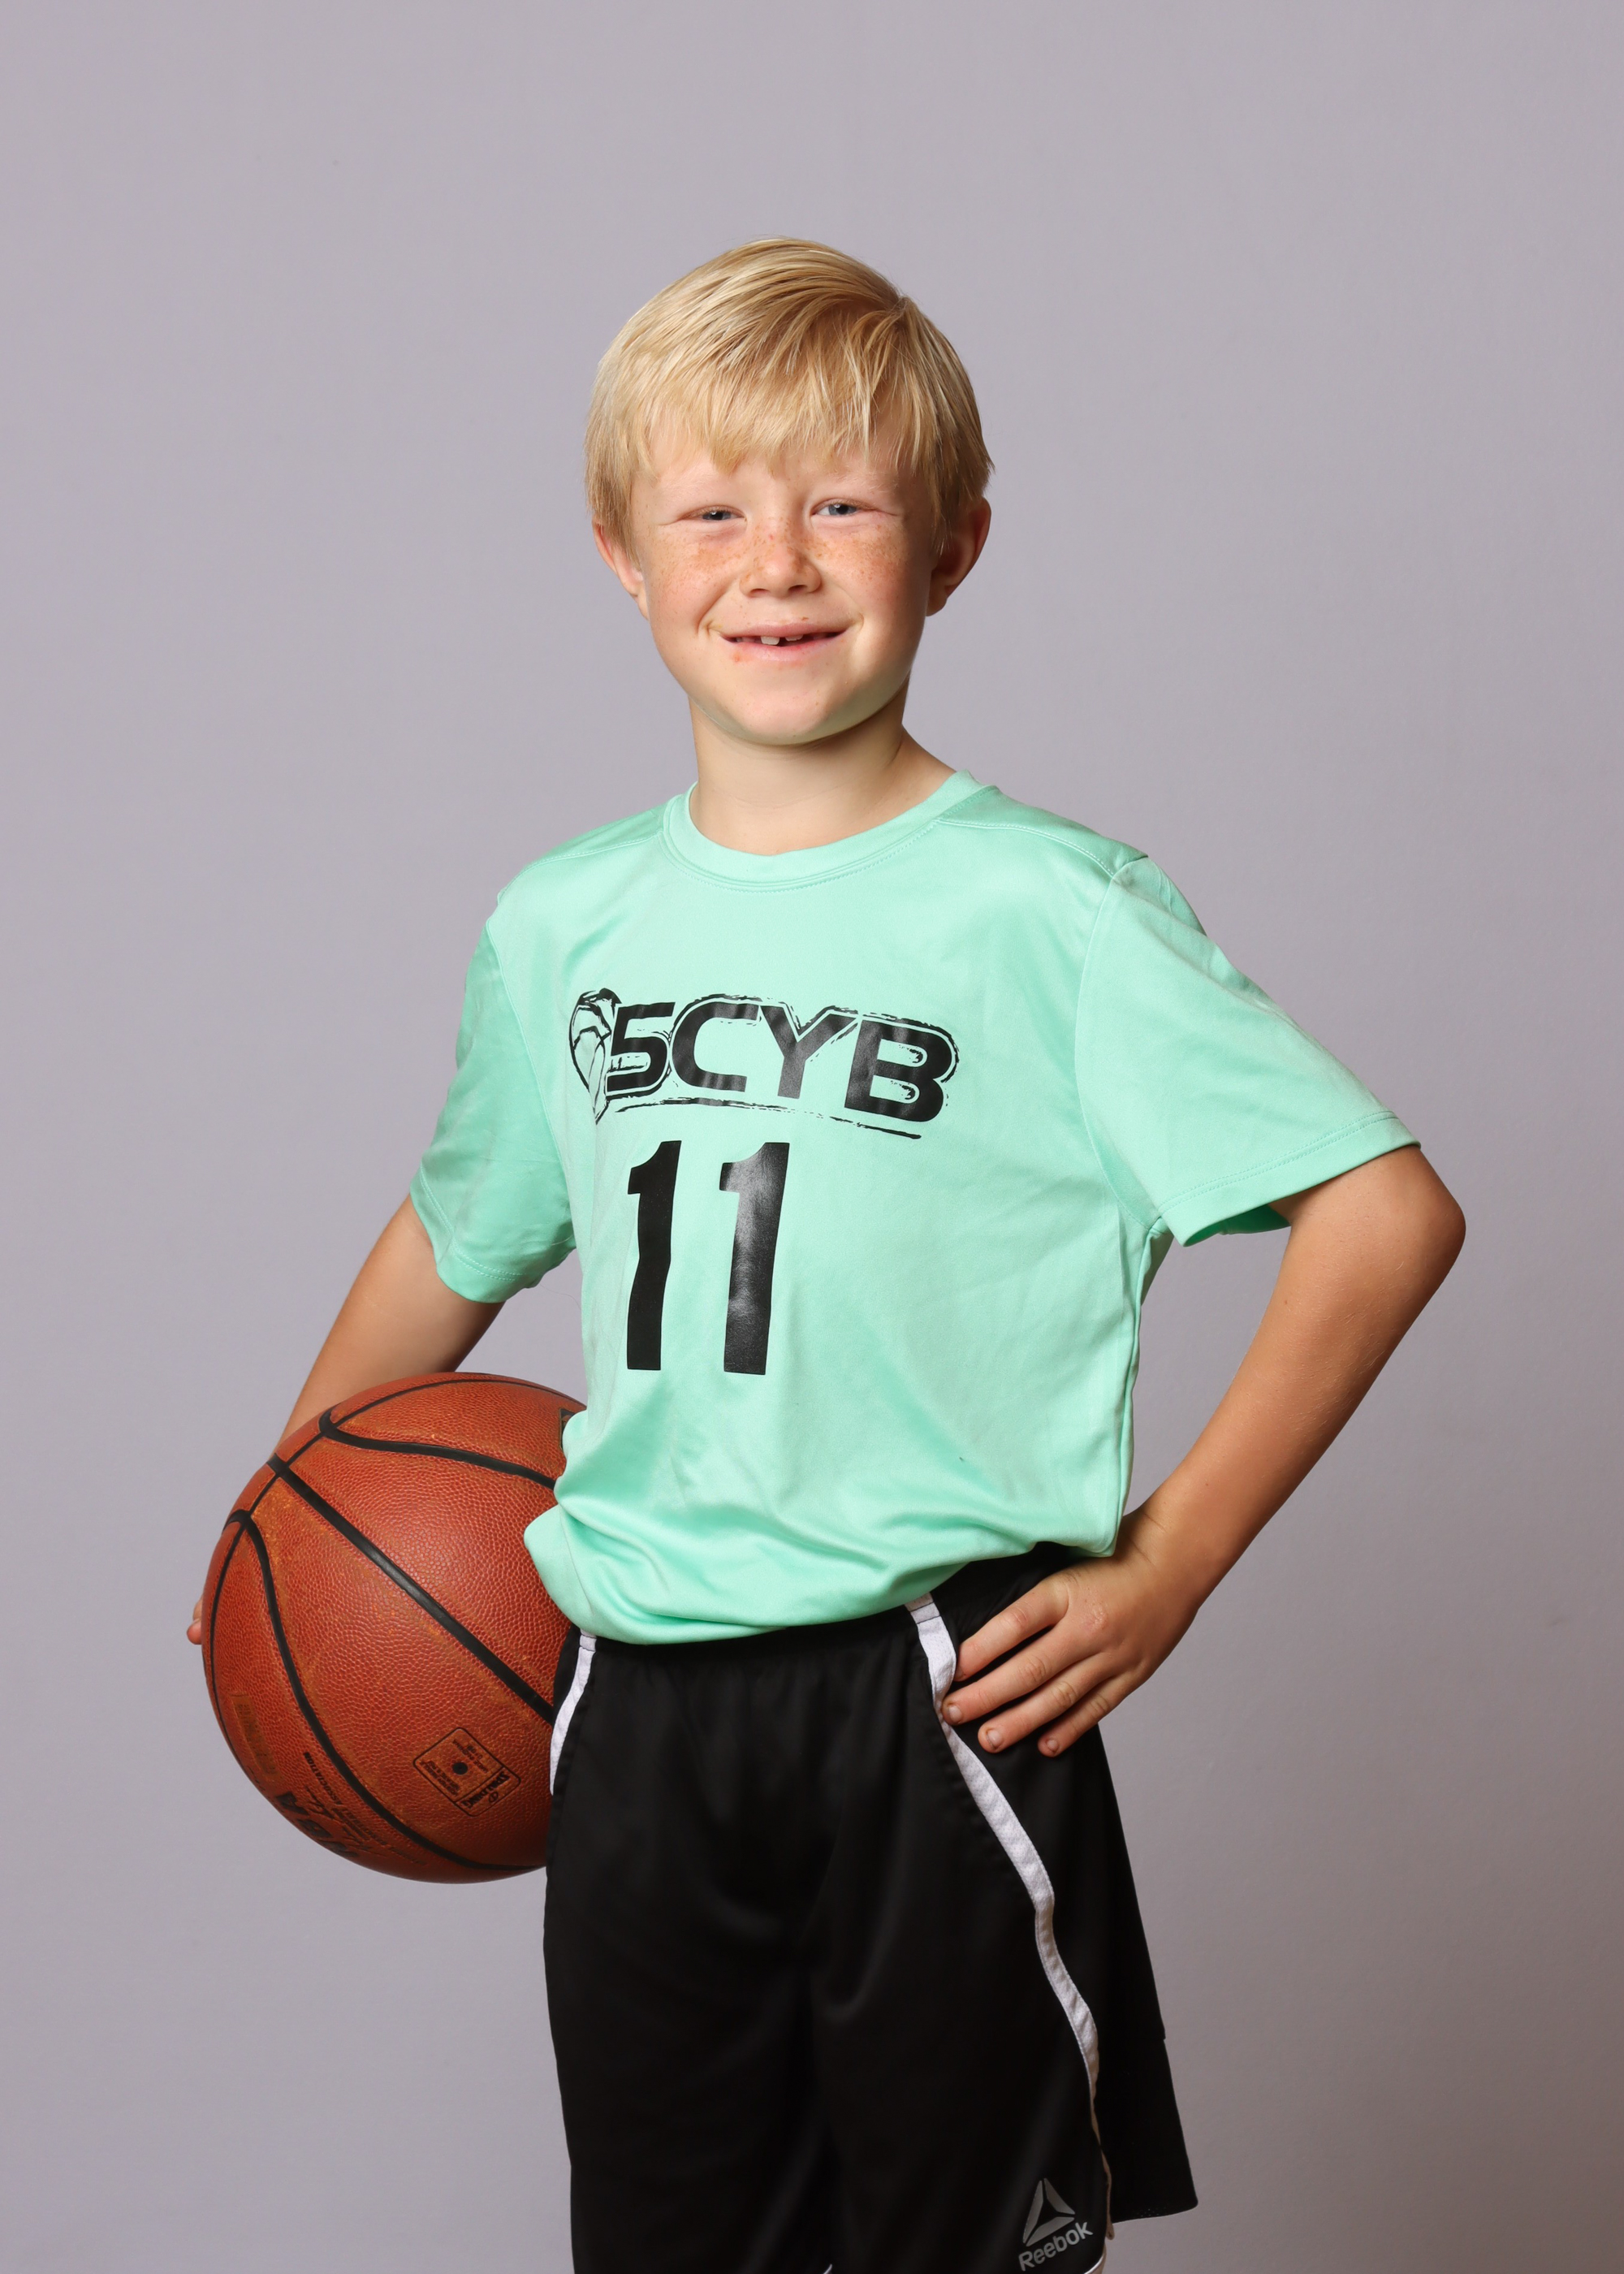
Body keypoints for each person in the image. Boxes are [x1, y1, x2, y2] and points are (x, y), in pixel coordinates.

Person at [190, 240, 1465, 2274]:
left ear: (952, 546)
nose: (773, 561)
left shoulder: (1049, 909)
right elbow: (457, 1232)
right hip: (632, 1689)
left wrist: (1176, 1556)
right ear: (619, 552)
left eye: (842, 503)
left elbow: (1383, 1210)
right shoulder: (562, 923)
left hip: (933, 1687)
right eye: (709, 509)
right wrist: (282, 1509)